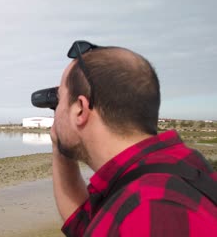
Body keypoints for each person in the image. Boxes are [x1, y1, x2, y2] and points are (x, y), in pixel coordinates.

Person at [50, 40, 217, 236]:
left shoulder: (152, 210)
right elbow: (84, 225)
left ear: (80, 109)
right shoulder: (174, 170)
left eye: (60, 99)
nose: (56, 110)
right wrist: (59, 143)